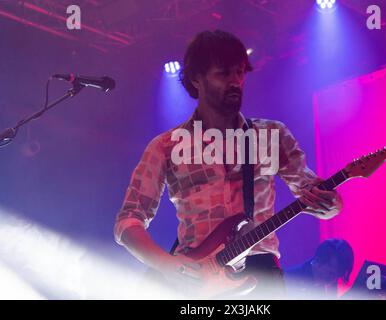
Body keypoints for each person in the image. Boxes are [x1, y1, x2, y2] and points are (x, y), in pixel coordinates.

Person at [113, 29, 342, 299]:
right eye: (223, 73)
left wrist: (330, 203)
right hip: (196, 280)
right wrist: (166, 265)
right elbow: (128, 222)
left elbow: (316, 195)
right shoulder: (166, 146)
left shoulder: (271, 135)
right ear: (197, 79)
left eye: (240, 73)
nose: (235, 82)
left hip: (261, 271)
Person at [285, 239, 354, 299]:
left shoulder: (327, 286)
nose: (333, 276)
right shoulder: (289, 280)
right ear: (319, 260)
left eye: (338, 271)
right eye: (330, 266)